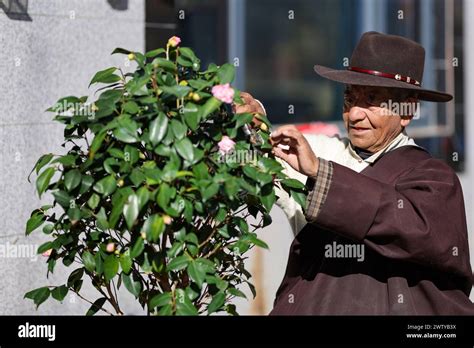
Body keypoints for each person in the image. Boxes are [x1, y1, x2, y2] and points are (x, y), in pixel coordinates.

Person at [236, 31, 474, 314]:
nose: (355, 114)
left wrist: (321, 174)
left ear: (407, 110)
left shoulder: (435, 179)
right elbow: (264, 150)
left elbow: (404, 225)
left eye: (372, 100)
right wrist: (253, 119)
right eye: (350, 99)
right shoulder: (325, 151)